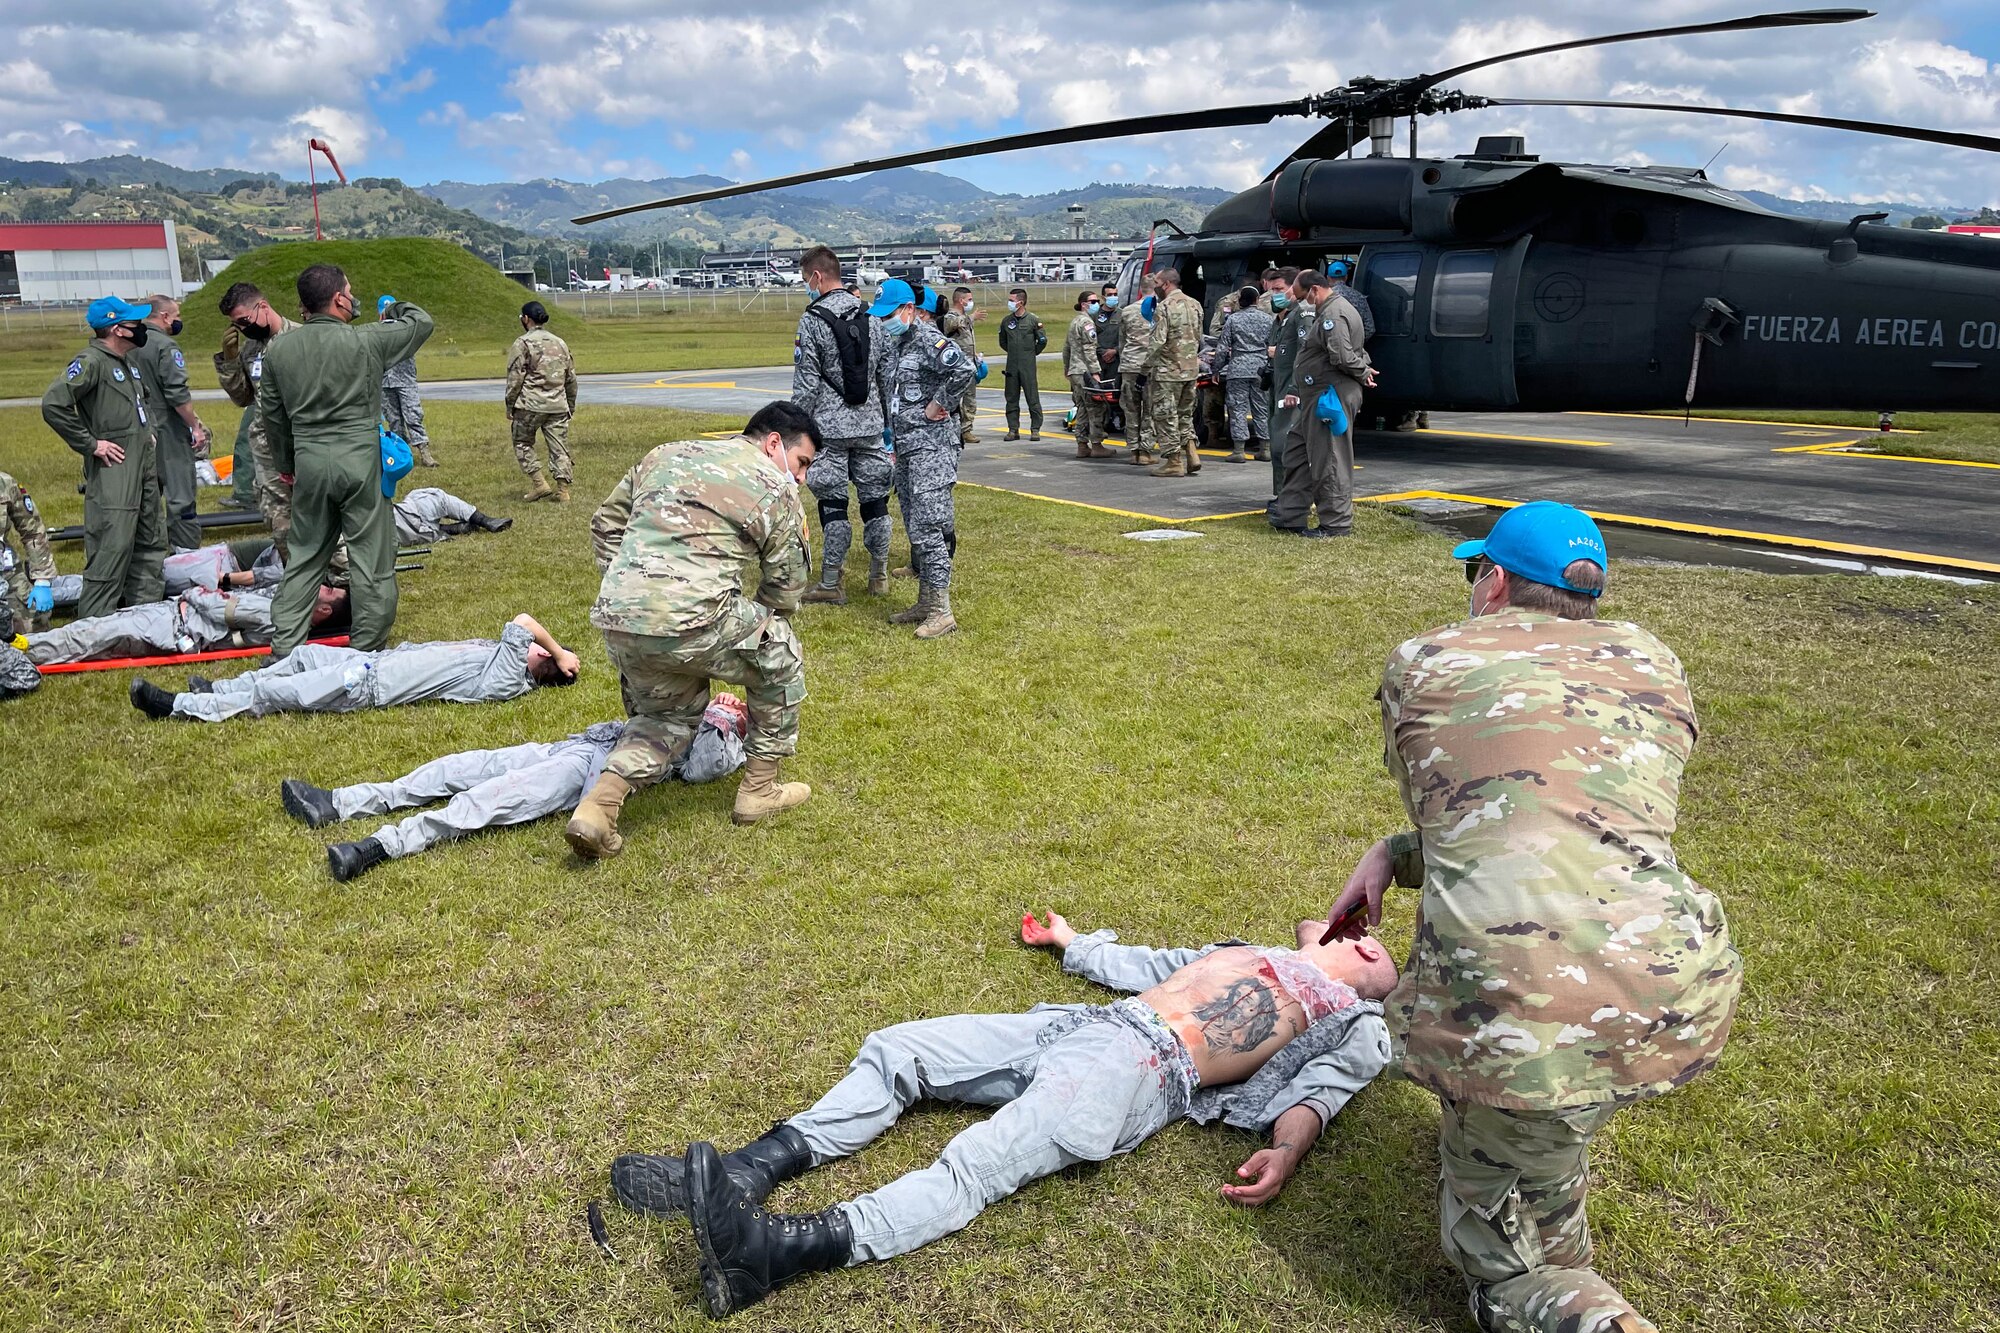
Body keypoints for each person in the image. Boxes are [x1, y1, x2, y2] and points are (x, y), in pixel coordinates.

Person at [1326, 502, 1742, 1333]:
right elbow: (1564, 819)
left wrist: (1404, 846)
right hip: (1666, 979)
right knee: (1541, 1134)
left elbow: (1466, 822)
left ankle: (1581, 1308)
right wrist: (1392, 853)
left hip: (1514, 998)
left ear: (1496, 581)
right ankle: (1544, 1155)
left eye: (1474, 572)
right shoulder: (1651, 659)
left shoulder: (1426, 660)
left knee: (1508, 1265)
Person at [610, 908, 1398, 1319]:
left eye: (1370, 934)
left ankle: (776, 1252)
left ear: (1366, 957)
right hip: (1074, 1028)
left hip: (1142, 1074)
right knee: (900, 1049)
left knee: (974, 1163)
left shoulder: (1356, 1021)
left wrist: (1288, 1150)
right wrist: (1070, 940)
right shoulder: (1248, 951)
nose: (1352, 922)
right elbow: (1143, 965)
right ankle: (750, 1170)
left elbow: (1319, 1091)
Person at [564, 401, 818, 858]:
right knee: (779, 652)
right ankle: (758, 790)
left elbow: (605, 524)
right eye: (801, 463)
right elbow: (786, 587)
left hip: (620, 619)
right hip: (692, 618)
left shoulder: (664, 454)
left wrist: (631, 587)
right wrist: (750, 622)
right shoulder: (773, 487)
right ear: (774, 443)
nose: (801, 477)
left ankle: (598, 809)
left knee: (669, 716)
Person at [279, 699, 748, 883]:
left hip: (592, 769)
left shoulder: (726, 744)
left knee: (486, 799)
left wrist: (726, 720)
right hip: (572, 744)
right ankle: (338, 801)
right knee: (456, 768)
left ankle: (377, 847)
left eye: (743, 709)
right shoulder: (686, 695)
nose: (733, 701)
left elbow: (705, 769)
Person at [259, 266, 434, 658]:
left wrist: (287, 464)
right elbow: (421, 321)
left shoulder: (279, 350)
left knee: (305, 558)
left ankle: (285, 647)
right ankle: (366, 648)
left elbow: (272, 416)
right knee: (371, 560)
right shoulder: (366, 340)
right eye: (350, 292)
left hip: (309, 462)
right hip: (360, 460)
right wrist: (391, 310)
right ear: (339, 299)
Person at [127, 611, 577, 722]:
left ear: (542, 664)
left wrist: (562, 653)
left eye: (542, 652)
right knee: (301, 655)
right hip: (371, 663)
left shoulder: (505, 679)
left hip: (366, 686)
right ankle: (217, 689)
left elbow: (522, 622)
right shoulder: (503, 658)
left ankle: (180, 707)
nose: (534, 647)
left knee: (275, 695)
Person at [40, 296, 168, 619]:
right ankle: (94, 626)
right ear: (117, 329)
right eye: (134, 324)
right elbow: (54, 404)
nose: (140, 328)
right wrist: (91, 444)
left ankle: (145, 618)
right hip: (115, 471)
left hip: (144, 466)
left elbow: (145, 405)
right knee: (113, 545)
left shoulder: (129, 362)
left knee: (150, 541)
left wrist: (148, 431)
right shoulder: (91, 361)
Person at [793, 246, 895, 603]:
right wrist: (885, 424)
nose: (807, 285)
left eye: (806, 279)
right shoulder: (872, 318)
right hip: (869, 426)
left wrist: (797, 430)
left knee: (833, 506)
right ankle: (878, 574)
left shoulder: (813, 319)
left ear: (817, 277)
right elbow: (887, 376)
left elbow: (806, 384)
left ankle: (831, 582)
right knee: (875, 504)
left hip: (829, 430)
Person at [880, 286, 976, 639]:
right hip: (907, 449)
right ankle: (925, 602)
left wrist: (940, 403)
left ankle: (941, 610)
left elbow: (964, 370)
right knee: (916, 526)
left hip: (931, 450)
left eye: (890, 314)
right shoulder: (899, 343)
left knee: (930, 527)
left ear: (908, 309)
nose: (886, 321)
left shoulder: (928, 340)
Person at [24, 583, 349, 667]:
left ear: (323, 609)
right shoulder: (286, 612)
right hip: (169, 619)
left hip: (169, 627)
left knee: (85, 636)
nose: (323, 585)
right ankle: (19, 646)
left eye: (329, 590)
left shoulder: (280, 617)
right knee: (88, 631)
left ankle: (18, 652)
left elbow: (216, 605)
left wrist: (194, 591)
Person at [1270, 270, 1371, 538]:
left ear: (1315, 289)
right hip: (1315, 395)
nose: (1305, 303)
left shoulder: (1332, 314)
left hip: (1329, 396)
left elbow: (1342, 354)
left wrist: (1363, 372)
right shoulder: (1329, 310)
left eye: (1305, 296)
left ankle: (1335, 524)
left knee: (1330, 458)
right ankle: (1290, 513)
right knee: (1296, 450)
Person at [216, 282, 300, 554]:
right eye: (236, 324)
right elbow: (242, 397)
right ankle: (299, 582)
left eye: (244, 320)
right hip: (266, 454)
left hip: (299, 446)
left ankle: (335, 586)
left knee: (314, 519)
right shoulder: (252, 350)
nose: (242, 328)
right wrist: (230, 361)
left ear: (262, 307)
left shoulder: (300, 339)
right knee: (279, 523)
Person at [130, 295, 211, 551]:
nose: (178, 321)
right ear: (164, 316)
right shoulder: (166, 347)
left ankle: (149, 552)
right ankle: (186, 554)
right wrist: (195, 426)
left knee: (147, 496)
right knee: (181, 498)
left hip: (137, 429)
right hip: (167, 429)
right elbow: (177, 394)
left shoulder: (129, 343)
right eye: (176, 316)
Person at [506, 300, 577, 502]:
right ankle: (563, 491)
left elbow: (515, 377)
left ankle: (539, 484)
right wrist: (569, 404)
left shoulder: (522, 343)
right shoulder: (560, 343)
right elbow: (570, 377)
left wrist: (510, 404)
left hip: (530, 404)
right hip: (557, 405)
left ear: (526, 319)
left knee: (522, 442)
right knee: (559, 447)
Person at [1141, 268, 1203, 478]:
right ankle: (1192, 453)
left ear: (1166, 284)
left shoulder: (1164, 307)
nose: (1155, 286)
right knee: (1185, 414)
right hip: (1190, 370)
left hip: (1168, 372)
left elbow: (1157, 341)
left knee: (1165, 415)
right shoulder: (1195, 304)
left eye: (1157, 282)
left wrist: (1145, 369)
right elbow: (1199, 337)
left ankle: (1173, 461)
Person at [1214, 286, 1274, 464]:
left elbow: (1222, 348)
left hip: (1238, 369)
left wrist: (1217, 369)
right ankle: (1265, 449)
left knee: (1237, 409)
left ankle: (1239, 451)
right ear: (1257, 300)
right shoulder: (1268, 319)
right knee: (1262, 409)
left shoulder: (1233, 319)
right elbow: (1273, 345)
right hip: (1261, 369)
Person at [379, 294, 437, 469]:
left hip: (405, 380)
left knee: (413, 416)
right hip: (385, 382)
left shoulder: (406, 330)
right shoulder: (377, 331)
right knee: (394, 421)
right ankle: (403, 454)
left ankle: (424, 452)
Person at [1266, 270, 1309, 501]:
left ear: (1294, 289)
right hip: (1275, 387)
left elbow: (1305, 353)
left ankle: (1291, 496)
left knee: (1287, 443)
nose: (1275, 295)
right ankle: (1281, 494)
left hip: (1290, 390)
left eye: (1279, 290)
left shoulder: (1300, 315)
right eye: (1272, 290)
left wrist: (1294, 388)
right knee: (1277, 443)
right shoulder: (1280, 319)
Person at [1, 471, 57, 635]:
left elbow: (33, 531)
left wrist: (42, 581)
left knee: (34, 628)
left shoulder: (5, 484)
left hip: (4, 570)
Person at [1063, 291, 1111, 460]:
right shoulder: (1086, 323)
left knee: (1082, 408)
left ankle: (1082, 445)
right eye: (1093, 301)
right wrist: (1096, 372)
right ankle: (1097, 444)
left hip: (1076, 371)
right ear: (1083, 304)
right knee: (1095, 407)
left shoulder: (1074, 322)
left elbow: (1067, 348)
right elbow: (1089, 350)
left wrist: (1067, 368)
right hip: (1085, 372)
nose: (1097, 303)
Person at [996, 287, 1046, 441]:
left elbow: (1042, 341)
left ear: (1021, 302)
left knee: (1032, 397)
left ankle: (1035, 429)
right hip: (1011, 365)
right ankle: (1013, 429)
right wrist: (1013, 353)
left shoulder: (1033, 320)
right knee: (1011, 398)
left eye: (1012, 300)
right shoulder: (1006, 321)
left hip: (1028, 364)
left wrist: (1031, 353)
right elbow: (1002, 342)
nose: (1009, 303)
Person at [1115, 273, 1156, 462]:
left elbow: (1122, 342)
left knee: (1131, 409)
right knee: (1150, 409)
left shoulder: (1128, 311)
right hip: (1151, 366)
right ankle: (1146, 450)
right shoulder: (1160, 309)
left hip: (1130, 364)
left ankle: (1134, 450)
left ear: (1141, 289)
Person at [391, 488, 512, 545]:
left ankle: (453, 529)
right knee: (435, 497)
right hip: (412, 514)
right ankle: (485, 520)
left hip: (416, 534)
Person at [941, 286, 984, 445]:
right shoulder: (952, 315)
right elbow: (951, 325)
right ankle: (953, 428)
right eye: (969, 299)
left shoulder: (964, 316)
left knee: (970, 398)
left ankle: (966, 429)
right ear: (961, 300)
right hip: (956, 366)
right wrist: (971, 317)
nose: (970, 302)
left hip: (969, 363)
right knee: (954, 398)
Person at [1327, 260, 1376, 340]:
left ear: (1328, 278)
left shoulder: (1325, 297)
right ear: (1346, 277)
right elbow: (1370, 328)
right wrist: (1356, 342)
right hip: (1354, 348)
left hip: (1330, 347)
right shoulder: (1359, 296)